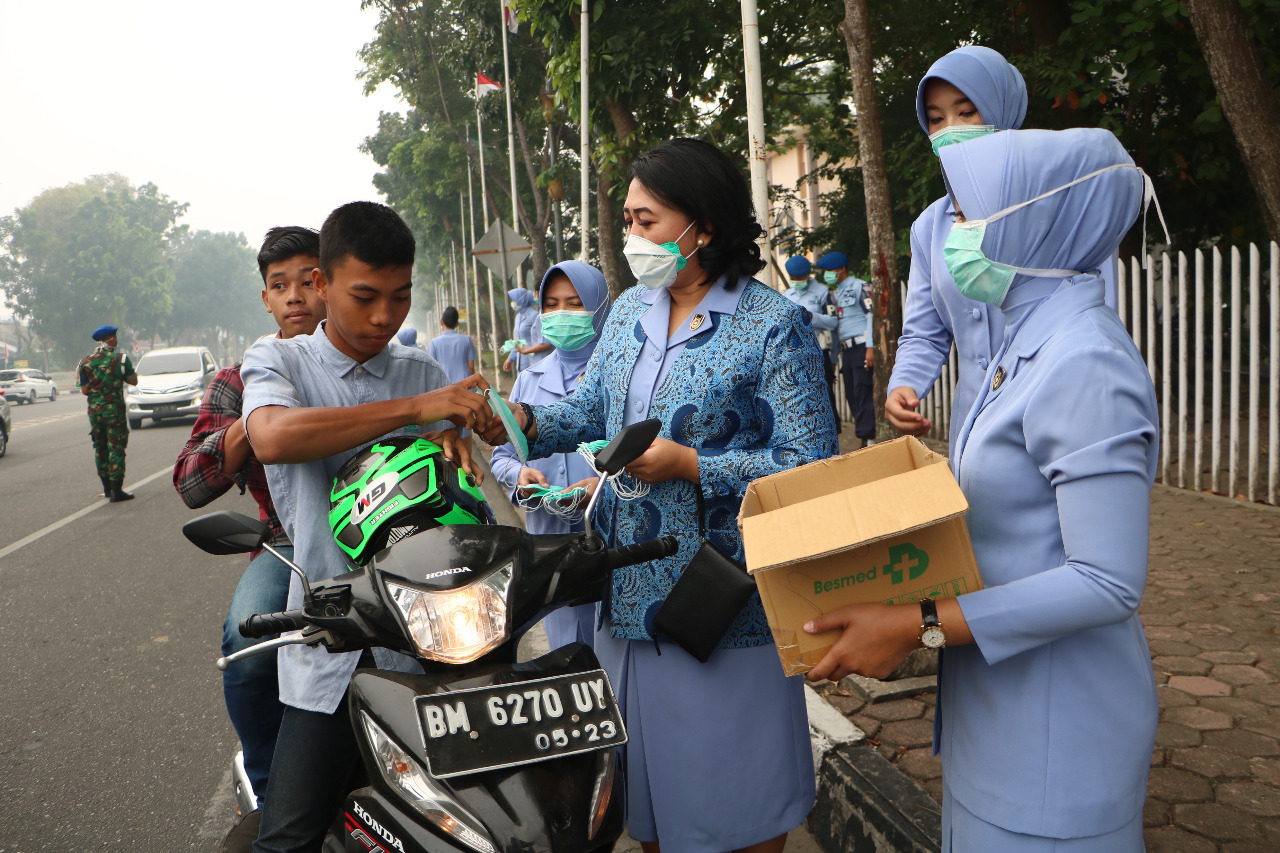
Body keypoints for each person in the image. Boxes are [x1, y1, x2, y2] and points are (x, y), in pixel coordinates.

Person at [804, 127, 1160, 851]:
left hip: (1056, 735)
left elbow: (1106, 579)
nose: (951, 235)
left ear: (1036, 221)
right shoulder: (1015, 347)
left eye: (968, 216)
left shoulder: (1084, 361)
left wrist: (914, 623)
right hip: (994, 715)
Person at [496, 138, 838, 853]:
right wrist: (520, 419)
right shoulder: (626, 314)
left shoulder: (772, 325)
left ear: (703, 227)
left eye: (646, 220)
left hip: (722, 602)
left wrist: (693, 465)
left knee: (736, 806)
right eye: (627, 218)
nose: (631, 237)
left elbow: (810, 462)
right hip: (629, 599)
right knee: (648, 805)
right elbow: (589, 412)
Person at [241, 202, 498, 853]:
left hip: (428, 637)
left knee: (472, 826)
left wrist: (475, 438)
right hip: (327, 634)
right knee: (289, 834)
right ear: (322, 285)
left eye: (400, 297)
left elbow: (461, 498)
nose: (385, 316)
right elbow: (270, 437)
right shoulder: (280, 361)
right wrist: (415, 409)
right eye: (365, 296)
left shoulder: (424, 372)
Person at [172, 225, 324, 849]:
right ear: (265, 299)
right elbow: (191, 482)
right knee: (246, 640)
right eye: (278, 286)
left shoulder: (373, 357)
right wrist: (249, 424)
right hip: (288, 543)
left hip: (388, 533)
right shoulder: (237, 379)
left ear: (334, 281)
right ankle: (270, 784)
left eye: (308, 281)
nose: (294, 297)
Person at [887, 45, 1119, 446]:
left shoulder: (1061, 205)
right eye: (936, 119)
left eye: (967, 111)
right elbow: (925, 332)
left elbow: (1097, 313)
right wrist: (903, 385)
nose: (951, 129)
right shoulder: (929, 228)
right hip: (974, 428)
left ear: (1002, 111)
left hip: (1059, 413)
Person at [490, 261, 609, 649]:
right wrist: (518, 477)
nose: (561, 315)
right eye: (552, 305)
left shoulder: (620, 377)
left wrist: (605, 486)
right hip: (551, 544)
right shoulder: (528, 379)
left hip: (612, 542)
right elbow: (503, 456)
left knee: (614, 657)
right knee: (566, 654)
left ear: (601, 307)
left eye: (575, 304)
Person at [817, 252, 875, 446]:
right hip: (846, 351)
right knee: (852, 393)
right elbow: (835, 328)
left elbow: (871, 316)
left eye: (829, 270)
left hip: (861, 346)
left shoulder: (860, 286)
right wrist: (834, 358)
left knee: (863, 390)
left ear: (840, 269)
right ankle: (863, 435)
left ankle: (869, 438)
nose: (826, 275)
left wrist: (871, 347)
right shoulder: (836, 293)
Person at [78, 325, 138, 502]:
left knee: (100, 448)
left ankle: (106, 489)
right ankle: (117, 491)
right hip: (114, 412)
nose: (116, 340)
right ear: (111, 340)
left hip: (95, 413)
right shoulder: (121, 359)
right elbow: (133, 381)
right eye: (115, 337)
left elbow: (84, 390)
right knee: (116, 448)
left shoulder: (85, 362)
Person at [782, 255, 840, 434]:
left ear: (808, 274)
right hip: (795, 354)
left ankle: (832, 432)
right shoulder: (787, 295)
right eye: (793, 279)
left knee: (825, 394)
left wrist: (812, 317)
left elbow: (833, 322)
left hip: (818, 350)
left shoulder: (824, 292)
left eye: (800, 278)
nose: (797, 282)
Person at [428, 306, 481, 455]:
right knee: (466, 429)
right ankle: (468, 466)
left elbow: (432, 369)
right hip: (466, 392)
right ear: (457, 324)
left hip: (445, 393)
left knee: (447, 431)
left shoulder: (435, 343)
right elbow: (471, 368)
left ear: (441, 322)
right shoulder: (466, 340)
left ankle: (451, 464)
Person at [502, 287, 550, 372]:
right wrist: (511, 358)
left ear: (522, 300)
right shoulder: (518, 317)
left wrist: (527, 351)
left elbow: (543, 341)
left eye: (514, 300)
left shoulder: (534, 316)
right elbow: (517, 341)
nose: (512, 303)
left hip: (534, 361)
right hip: (521, 363)